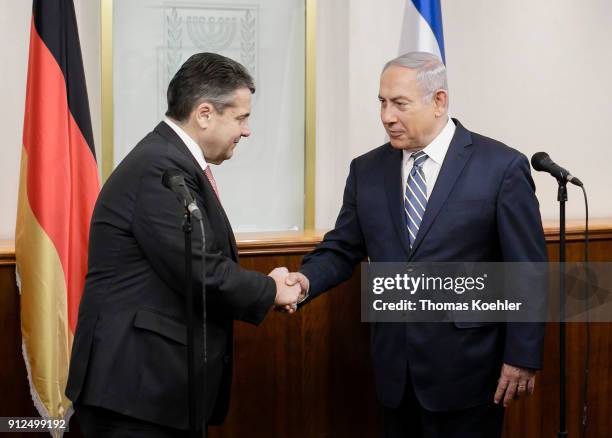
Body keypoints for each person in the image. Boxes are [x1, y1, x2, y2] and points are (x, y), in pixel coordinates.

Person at [283, 52, 548, 437]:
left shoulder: (501, 167)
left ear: (439, 101)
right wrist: (304, 281)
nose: (386, 116)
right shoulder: (366, 170)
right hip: (394, 372)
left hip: (469, 372)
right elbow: (342, 248)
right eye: (382, 102)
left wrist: (522, 356)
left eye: (399, 103)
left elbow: (527, 269)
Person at [66, 52, 303, 436]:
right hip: (133, 394)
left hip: (156, 391)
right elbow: (198, 268)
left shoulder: (171, 162)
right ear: (205, 113)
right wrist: (271, 288)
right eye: (241, 117)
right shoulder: (158, 168)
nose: (247, 131)